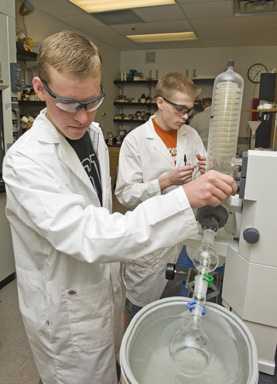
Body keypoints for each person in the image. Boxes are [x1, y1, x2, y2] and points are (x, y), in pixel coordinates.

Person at [3, 31, 237, 384]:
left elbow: (105, 211)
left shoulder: (94, 135)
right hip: (66, 307)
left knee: (110, 366)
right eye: (69, 103)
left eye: (93, 100)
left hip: (106, 288)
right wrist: (183, 198)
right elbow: (88, 233)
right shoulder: (24, 161)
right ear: (39, 89)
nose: (83, 117)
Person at [115, 72, 207, 326]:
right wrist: (165, 181)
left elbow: (201, 179)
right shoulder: (136, 141)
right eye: (180, 109)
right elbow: (124, 194)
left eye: (189, 109)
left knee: (175, 311)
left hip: (185, 236)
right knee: (138, 310)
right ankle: (127, 361)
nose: (186, 116)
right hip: (151, 238)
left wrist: (207, 169)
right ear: (160, 102)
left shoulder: (191, 136)